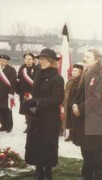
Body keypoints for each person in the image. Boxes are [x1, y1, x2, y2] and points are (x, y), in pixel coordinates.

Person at [23, 48, 64, 180]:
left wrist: (36, 101)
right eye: (40, 59)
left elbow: (57, 99)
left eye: (44, 59)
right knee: (36, 145)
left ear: (52, 61)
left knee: (48, 145)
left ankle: (48, 172)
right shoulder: (38, 75)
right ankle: (38, 170)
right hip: (36, 117)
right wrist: (30, 101)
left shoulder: (57, 78)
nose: (41, 61)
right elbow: (35, 93)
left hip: (50, 119)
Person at [72, 48, 102, 180]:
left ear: (97, 59)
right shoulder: (86, 72)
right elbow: (78, 92)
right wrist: (74, 104)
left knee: (96, 154)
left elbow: (99, 97)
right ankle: (87, 176)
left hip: (95, 121)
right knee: (86, 152)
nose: (84, 58)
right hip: (84, 120)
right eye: (84, 56)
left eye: (88, 56)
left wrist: (81, 108)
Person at [16, 53, 40, 133]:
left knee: (33, 110)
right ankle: (28, 126)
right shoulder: (22, 68)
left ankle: (33, 126)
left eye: (29, 59)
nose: (28, 61)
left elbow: (36, 82)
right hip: (23, 92)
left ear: (33, 60)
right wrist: (18, 91)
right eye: (26, 59)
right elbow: (18, 80)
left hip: (32, 93)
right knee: (26, 110)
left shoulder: (37, 69)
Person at [62, 63, 83, 141]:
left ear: (80, 73)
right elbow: (65, 91)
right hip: (67, 102)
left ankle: (76, 136)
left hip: (75, 103)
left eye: (75, 71)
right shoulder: (70, 80)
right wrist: (64, 101)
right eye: (73, 71)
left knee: (75, 120)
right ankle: (70, 135)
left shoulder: (80, 82)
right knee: (69, 119)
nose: (73, 72)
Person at [0, 54, 17, 132]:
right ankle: (3, 125)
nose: (2, 62)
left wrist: (11, 93)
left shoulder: (11, 69)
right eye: (0, 60)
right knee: (1, 111)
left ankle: (9, 127)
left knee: (7, 110)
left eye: (3, 60)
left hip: (7, 94)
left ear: (7, 61)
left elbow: (13, 83)